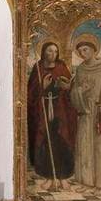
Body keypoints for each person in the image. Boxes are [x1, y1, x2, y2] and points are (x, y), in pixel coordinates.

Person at [70, 34, 101, 189]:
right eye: (80, 51)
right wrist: (80, 91)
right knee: (86, 146)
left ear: (93, 49)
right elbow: (73, 93)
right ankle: (87, 181)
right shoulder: (80, 69)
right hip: (86, 112)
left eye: (85, 50)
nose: (83, 53)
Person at [27, 41, 77, 191]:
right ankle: (49, 177)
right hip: (43, 110)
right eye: (50, 51)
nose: (53, 54)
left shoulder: (61, 67)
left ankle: (63, 177)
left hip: (60, 110)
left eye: (55, 51)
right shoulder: (38, 68)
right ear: (43, 52)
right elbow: (30, 93)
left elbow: (70, 88)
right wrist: (42, 86)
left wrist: (66, 86)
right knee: (45, 142)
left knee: (62, 141)